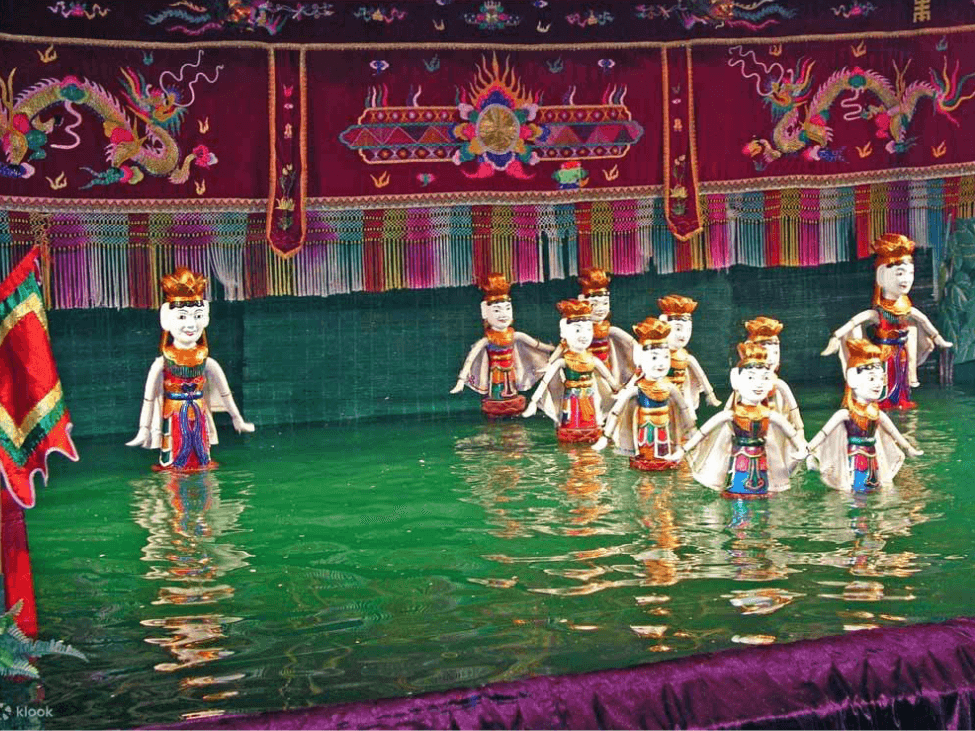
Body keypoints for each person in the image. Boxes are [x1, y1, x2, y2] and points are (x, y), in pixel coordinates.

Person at [127, 268, 254, 469]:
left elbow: (225, 393)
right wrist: (143, 430)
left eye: (196, 316)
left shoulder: (206, 361)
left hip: (199, 415)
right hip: (174, 416)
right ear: (166, 319)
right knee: (174, 468)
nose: (191, 324)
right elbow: (149, 399)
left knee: (202, 465)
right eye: (182, 317)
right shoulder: (162, 362)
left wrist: (238, 420)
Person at [821, 233, 952, 409]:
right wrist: (837, 336)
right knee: (883, 383)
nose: (906, 279)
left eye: (910, 273)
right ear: (882, 275)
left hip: (902, 353)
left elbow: (924, 320)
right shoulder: (879, 312)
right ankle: (882, 402)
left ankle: (900, 400)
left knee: (901, 380)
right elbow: (855, 321)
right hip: (884, 353)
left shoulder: (906, 307)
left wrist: (938, 339)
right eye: (900, 273)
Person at [667, 342, 806, 498]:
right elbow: (703, 432)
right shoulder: (732, 415)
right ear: (736, 379)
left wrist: (801, 448)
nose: (758, 384)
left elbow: (791, 434)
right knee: (739, 505)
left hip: (762, 467)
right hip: (739, 463)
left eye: (764, 378)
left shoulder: (770, 415)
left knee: (763, 508)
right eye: (751, 378)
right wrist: (682, 452)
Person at [808, 339, 923, 493]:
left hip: (873, 457)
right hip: (855, 458)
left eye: (880, 379)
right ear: (852, 379)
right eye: (871, 379)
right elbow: (824, 434)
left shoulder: (877, 413)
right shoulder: (846, 414)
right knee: (857, 491)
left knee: (875, 489)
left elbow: (894, 433)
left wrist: (908, 448)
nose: (877, 384)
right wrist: (808, 449)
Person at [593, 317, 695, 470]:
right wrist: (605, 437)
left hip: (666, 428)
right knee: (646, 451)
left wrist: (691, 429)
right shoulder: (637, 388)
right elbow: (616, 411)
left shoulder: (669, 386)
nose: (661, 363)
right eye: (654, 357)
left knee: (664, 448)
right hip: (644, 426)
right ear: (640, 358)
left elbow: (683, 408)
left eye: (665, 357)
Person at [451, 272, 555, 417]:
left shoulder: (515, 335)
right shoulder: (487, 340)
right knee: (497, 395)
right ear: (485, 312)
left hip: (511, 371)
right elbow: (471, 359)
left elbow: (538, 346)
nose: (503, 314)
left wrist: (556, 349)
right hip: (495, 373)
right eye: (497, 310)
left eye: (507, 308)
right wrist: (461, 380)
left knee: (511, 395)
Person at [522, 300, 619, 443]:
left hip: (590, 398)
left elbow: (610, 379)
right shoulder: (564, 361)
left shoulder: (593, 360)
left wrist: (620, 390)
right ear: (564, 332)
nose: (584, 335)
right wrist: (533, 402)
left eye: (588, 329)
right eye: (578, 330)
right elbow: (545, 382)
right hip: (572, 400)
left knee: (592, 419)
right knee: (571, 422)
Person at [658, 294, 720, 416]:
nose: (683, 335)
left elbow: (701, 376)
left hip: (682, 394)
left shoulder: (686, 357)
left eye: (688, 329)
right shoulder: (657, 354)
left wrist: (710, 394)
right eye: (678, 329)